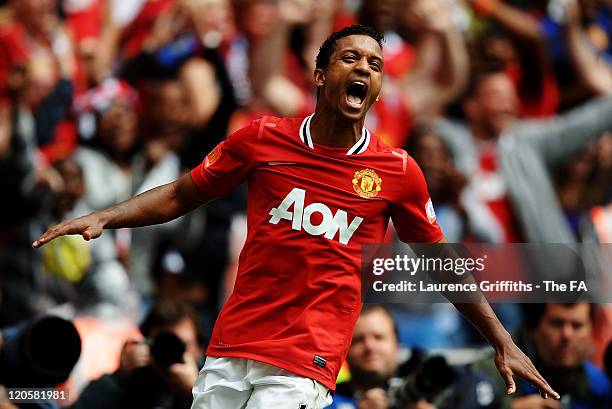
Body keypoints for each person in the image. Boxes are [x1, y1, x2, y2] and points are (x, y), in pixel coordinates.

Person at [33, 24, 560, 409]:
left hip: (304, 360)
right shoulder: (263, 140)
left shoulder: (397, 171)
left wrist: (502, 340)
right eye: (351, 58)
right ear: (319, 74)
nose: (364, 70)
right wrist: (105, 216)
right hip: (230, 344)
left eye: (375, 65)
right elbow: (180, 195)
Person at [331, 305, 501, 409]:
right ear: (344, 349)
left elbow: (491, 396)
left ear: (397, 344)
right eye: (359, 340)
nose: (370, 346)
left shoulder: (423, 381)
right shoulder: (324, 398)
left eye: (379, 337)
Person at [70, 298, 203, 409]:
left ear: (199, 348)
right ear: (147, 343)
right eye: (165, 344)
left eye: (182, 345)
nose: (171, 351)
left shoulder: (212, 381)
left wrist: (196, 391)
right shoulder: (133, 381)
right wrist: (119, 377)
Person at [478, 302, 612, 409]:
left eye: (577, 326)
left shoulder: (599, 386)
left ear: (591, 331)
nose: (567, 335)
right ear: (534, 327)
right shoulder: (494, 373)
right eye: (557, 324)